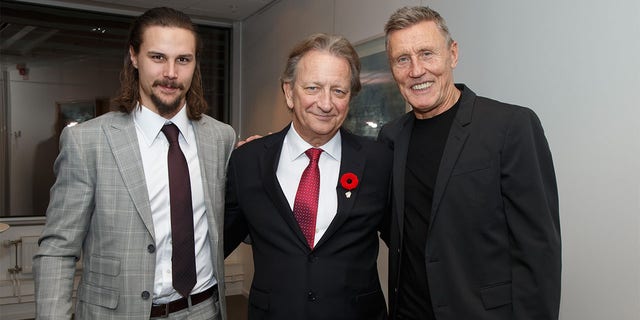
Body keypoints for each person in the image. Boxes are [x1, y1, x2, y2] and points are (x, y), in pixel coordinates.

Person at [33, 7, 235, 319]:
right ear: (134, 57)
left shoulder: (221, 138)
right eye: (157, 57)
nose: (170, 72)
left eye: (183, 59)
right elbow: (58, 249)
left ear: (195, 64)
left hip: (204, 309)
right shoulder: (88, 142)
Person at [378, 6, 561, 320]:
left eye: (427, 54)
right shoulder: (391, 137)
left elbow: (538, 250)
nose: (416, 70)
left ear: (453, 54)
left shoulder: (511, 126)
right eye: (402, 59)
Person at [224, 33, 391, 320]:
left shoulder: (378, 162)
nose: (326, 104)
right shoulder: (248, 161)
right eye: (313, 88)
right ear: (289, 92)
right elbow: (216, 243)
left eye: (339, 91)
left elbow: (407, 247)